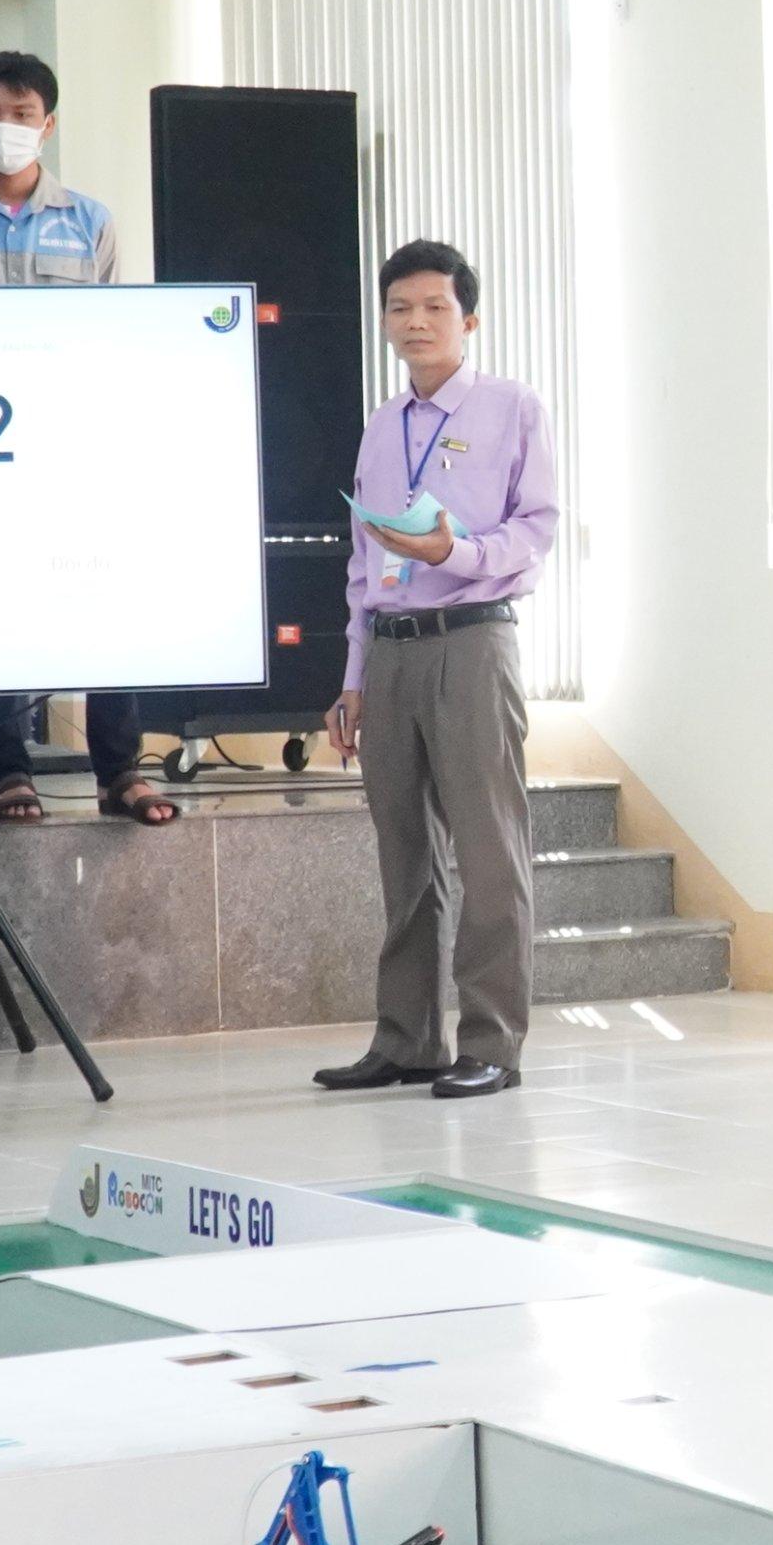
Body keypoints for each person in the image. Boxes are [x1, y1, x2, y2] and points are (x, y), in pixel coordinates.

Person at [313, 240, 562, 1102]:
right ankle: (407, 1040)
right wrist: (353, 676)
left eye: (434, 308)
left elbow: (536, 531)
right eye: (399, 308)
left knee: (489, 852)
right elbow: (362, 564)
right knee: (405, 855)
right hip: (390, 650)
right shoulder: (382, 424)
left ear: (469, 320)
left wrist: (454, 553)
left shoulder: (512, 407)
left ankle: (491, 1042)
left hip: (470, 642)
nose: (415, 323)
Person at [0, 49, 172, 829]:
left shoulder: (90, 220)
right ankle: (8, 769)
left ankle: (121, 769)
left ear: (49, 124)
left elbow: (111, 331)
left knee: (103, 596)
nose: (4, 127)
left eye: (21, 114)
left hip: (74, 442)